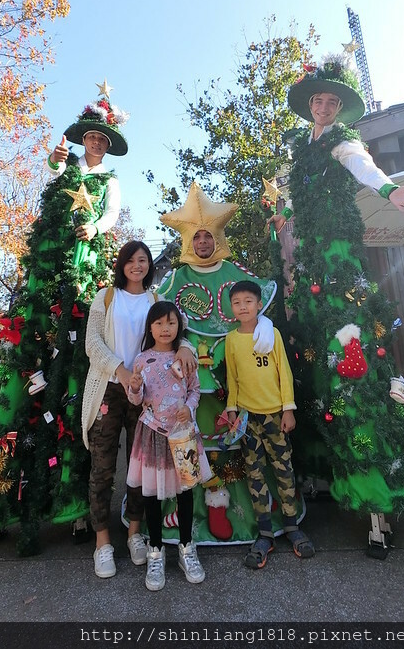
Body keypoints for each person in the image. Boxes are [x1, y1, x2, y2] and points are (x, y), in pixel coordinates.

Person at [0, 87, 130, 557]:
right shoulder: (66, 168)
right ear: (84, 138)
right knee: (20, 389)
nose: (96, 142)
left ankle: (74, 509)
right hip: (45, 281)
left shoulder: (108, 181)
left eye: (102, 138)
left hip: (81, 273)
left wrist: (96, 228)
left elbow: (112, 214)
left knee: (72, 385)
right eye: (91, 136)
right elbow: (50, 178)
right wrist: (53, 162)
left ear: (109, 145)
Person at [268, 56, 404, 529]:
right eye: (318, 100)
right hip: (309, 265)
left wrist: (389, 191)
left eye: (331, 102)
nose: (323, 107)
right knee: (314, 359)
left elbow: (364, 167)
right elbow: (300, 195)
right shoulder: (301, 149)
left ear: (339, 108)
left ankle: (376, 490)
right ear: (310, 104)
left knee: (349, 356)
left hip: (337, 263)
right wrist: (284, 216)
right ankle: (323, 468)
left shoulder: (343, 141)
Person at [157, 182, 307, 545]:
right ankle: (201, 509)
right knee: (196, 443)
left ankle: (260, 513)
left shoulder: (235, 274)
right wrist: (183, 345)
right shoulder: (176, 280)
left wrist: (264, 324)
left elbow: (258, 298)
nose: (202, 242)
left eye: (208, 236)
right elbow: (163, 321)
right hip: (194, 385)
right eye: (197, 237)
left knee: (247, 451)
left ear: (217, 238)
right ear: (188, 241)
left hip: (244, 388)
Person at [82, 241, 197, 579]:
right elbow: (92, 343)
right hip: (109, 388)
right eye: (131, 260)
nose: (137, 265)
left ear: (149, 265)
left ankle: (135, 532)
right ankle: (103, 542)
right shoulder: (105, 298)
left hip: (148, 398)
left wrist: (186, 347)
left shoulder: (154, 298)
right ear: (122, 264)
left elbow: (176, 330)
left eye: (143, 260)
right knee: (102, 466)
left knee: (141, 467)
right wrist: (119, 370)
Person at [224, 281, 314, 569]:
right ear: (231, 308)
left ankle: (292, 526)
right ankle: (264, 533)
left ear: (259, 304)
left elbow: (284, 373)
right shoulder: (231, 340)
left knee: (284, 470)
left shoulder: (271, 333)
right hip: (247, 419)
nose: (243, 307)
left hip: (275, 415)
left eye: (248, 301)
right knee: (255, 474)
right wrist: (232, 411)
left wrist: (288, 409)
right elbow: (232, 379)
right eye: (237, 302)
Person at [126, 300, 211, 591]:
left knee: (185, 491)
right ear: (150, 328)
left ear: (179, 326)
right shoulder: (141, 360)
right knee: (151, 494)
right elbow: (136, 400)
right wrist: (134, 387)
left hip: (183, 435)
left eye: (171, 323)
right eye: (159, 323)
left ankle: (186, 547)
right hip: (152, 434)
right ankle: (155, 550)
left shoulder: (185, 357)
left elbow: (195, 389)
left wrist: (189, 407)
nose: (165, 328)